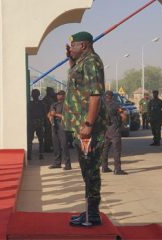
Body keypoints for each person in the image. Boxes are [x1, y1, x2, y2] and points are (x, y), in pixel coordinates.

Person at [63, 31, 106, 226]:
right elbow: (77, 84)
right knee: (85, 169)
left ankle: (93, 215)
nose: (71, 48)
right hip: (80, 126)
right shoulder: (81, 61)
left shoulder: (91, 62)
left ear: (85, 45)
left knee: (90, 170)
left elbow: (95, 95)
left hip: (88, 128)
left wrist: (88, 124)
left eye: (74, 46)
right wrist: (71, 60)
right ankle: (90, 211)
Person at [101, 91, 128, 175]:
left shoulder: (101, 105)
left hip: (105, 129)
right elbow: (123, 115)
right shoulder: (116, 105)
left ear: (105, 97)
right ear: (112, 97)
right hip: (114, 129)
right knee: (116, 150)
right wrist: (123, 124)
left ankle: (104, 167)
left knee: (105, 149)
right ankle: (117, 169)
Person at [47, 90, 72, 170]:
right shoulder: (54, 104)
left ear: (64, 96)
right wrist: (50, 116)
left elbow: (67, 117)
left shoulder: (67, 105)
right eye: (58, 95)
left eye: (61, 95)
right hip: (54, 125)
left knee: (64, 145)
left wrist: (56, 114)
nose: (59, 96)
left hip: (63, 125)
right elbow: (49, 113)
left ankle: (68, 164)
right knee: (56, 145)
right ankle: (57, 163)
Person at [27, 89, 46, 160]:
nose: (34, 95)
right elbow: (44, 114)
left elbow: (44, 114)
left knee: (37, 139)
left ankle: (31, 154)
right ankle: (37, 154)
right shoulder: (41, 104)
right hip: (36, 123)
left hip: (35, 123)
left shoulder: (30, 104)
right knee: (38, 140)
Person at [42, 87, 57, 152]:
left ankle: (48, 146)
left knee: (48, 132)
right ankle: (47, 147)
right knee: (48, 132)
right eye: (52, 91)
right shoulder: (48, 99)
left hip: (48, 117)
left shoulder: (46, 98)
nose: (53, 92)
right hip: (48, 117)